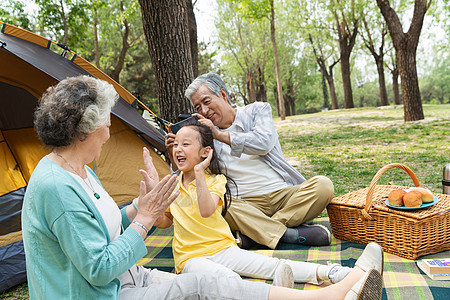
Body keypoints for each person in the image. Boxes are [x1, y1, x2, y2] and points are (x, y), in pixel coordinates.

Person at [21, 75, 381, 300]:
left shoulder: (81, 169)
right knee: (211, 283)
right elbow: (98, 268)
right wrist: (146, 218)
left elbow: (100, 225)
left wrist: (134, 208)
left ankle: (331, 290)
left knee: (218, 283)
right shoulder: (57, 187)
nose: (110, 131)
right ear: (85, 131)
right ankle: (330, 291)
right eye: (106, 124)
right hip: (100, 292)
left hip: (123, 279)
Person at [156, 121, 384, 299]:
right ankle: (281, 295)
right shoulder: (171, 184)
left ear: (205, 152)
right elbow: (165, 220)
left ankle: (334, 273)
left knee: (273, 265)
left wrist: (198, 174)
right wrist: (150, 207)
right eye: (175, 144)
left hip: (221, 247)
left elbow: (206, 210)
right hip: (190, 259)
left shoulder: (215, 180)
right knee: (226, 280)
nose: (178, 149)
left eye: (186, 144)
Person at [166, 72, 333, 249]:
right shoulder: (203, 134)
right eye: (198, 107)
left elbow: (264, 142)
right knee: (221, 204)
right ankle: (285, 233)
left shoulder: (257, 110)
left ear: (223, 95)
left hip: (282, 194)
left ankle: (257, 234)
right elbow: (190, 175)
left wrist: (220, 136)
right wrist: (174, 152)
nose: (204, 111)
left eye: (206, 102)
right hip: (242, 204)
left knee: (323, 186)